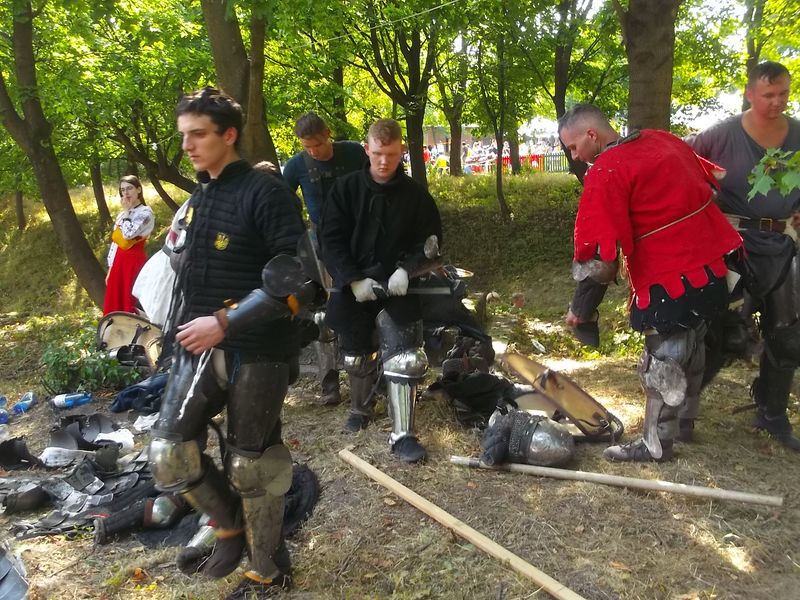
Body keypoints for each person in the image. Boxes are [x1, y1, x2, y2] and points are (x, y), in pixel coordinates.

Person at [147, 87, 309, 598]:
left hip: (257, 347)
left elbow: (297, 277)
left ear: (229, 135)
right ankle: (229, 529)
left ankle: (269, 568)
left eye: (199, 135)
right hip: (197, 346)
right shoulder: (201, 197)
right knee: (169, 453)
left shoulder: (267, 192)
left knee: (250, 463)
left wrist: (225, 320)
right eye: (184, 136)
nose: (189, 146)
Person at [559, 104, 742, 462]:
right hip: (713, 263)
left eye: (573, 147)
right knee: (695, 343)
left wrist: (581, 311)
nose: (575, 156)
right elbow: (710, 187)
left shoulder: (608, 169)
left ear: (591, 135)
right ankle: (685, 423)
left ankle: (655, 443)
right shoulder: (662, 139)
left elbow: (601, 260)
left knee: (663, 359)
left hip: (669, 274)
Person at [689, 61, 800, 450]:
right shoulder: (718, 137)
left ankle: (772, 414)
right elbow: (681, 171)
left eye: (783, 93)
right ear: (750, 93)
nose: (777, 101)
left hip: (784, 246)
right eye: (768, 94)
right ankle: (681, 413)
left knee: (788, 336)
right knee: (715, 330)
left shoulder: (799, 134)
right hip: (730, 246)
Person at [319, 118, 443, 463]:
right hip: (355, 284)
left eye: (390, 154)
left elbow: (431, 241)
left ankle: (403, 433)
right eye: (377, 154)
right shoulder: (343, 191)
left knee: (405, 356)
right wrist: (351, 279)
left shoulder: (416, 195)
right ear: (366, 150)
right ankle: (361, 408)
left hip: (400, 287)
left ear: (401, 150)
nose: (384, 162)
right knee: (356, 353)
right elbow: (329, 240)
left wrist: (408, 268)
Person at [283, 113, 368, 406]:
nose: (313, 152)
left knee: (368, 305)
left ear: (328, 134)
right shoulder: (297, 165)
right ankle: (329, 384)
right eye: (307, 147)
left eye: (316, 145)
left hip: (362, 238)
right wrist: (297, 235)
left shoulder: (355, 153)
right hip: (323, 245)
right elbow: (283, 200)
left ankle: (373, 376)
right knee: (327, 314)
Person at [103, 176, 155, 315]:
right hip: (118, 263)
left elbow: (128, 234)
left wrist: (127, 212)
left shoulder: (145, 212)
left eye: (129, 188)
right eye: (123, 190)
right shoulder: (122, 215)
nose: (126, 193)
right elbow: (116, 242)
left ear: (138, 189)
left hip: (133, 262)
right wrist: (111, 268)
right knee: (114, 304)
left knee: (129, 303)